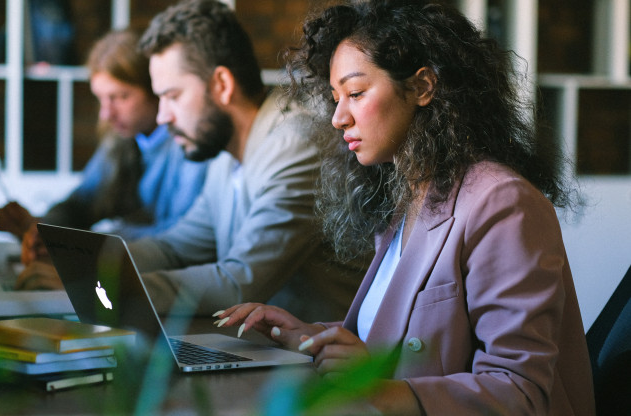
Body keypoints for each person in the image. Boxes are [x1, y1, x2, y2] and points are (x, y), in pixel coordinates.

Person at [216, 1, 595, 414]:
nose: (338, 118)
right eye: (335, 97)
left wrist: (376, 386)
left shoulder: (502, 203)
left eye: (356, 93)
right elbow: (399, 336)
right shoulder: (409, 197)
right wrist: (311, 337)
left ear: (422, 87)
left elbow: (521, 394)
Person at [119, 0, 366, 322]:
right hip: (267, 352)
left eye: (173, 96)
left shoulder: (297, 143)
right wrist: (98, 260)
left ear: (222, 84)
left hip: (326, 363)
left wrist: (115, 285)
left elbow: (242, 281)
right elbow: (177, 248)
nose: (163, 116)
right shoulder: (226, 155)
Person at [0, 29, 209, 286]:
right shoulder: (122, 139)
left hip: (172, 285)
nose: (106, 114)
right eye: (101, 99)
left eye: (120, 97)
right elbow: (82, 203)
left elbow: (181, 238)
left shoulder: (191, 144)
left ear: (156, 89)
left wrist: (89, 243)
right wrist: (45, 229)